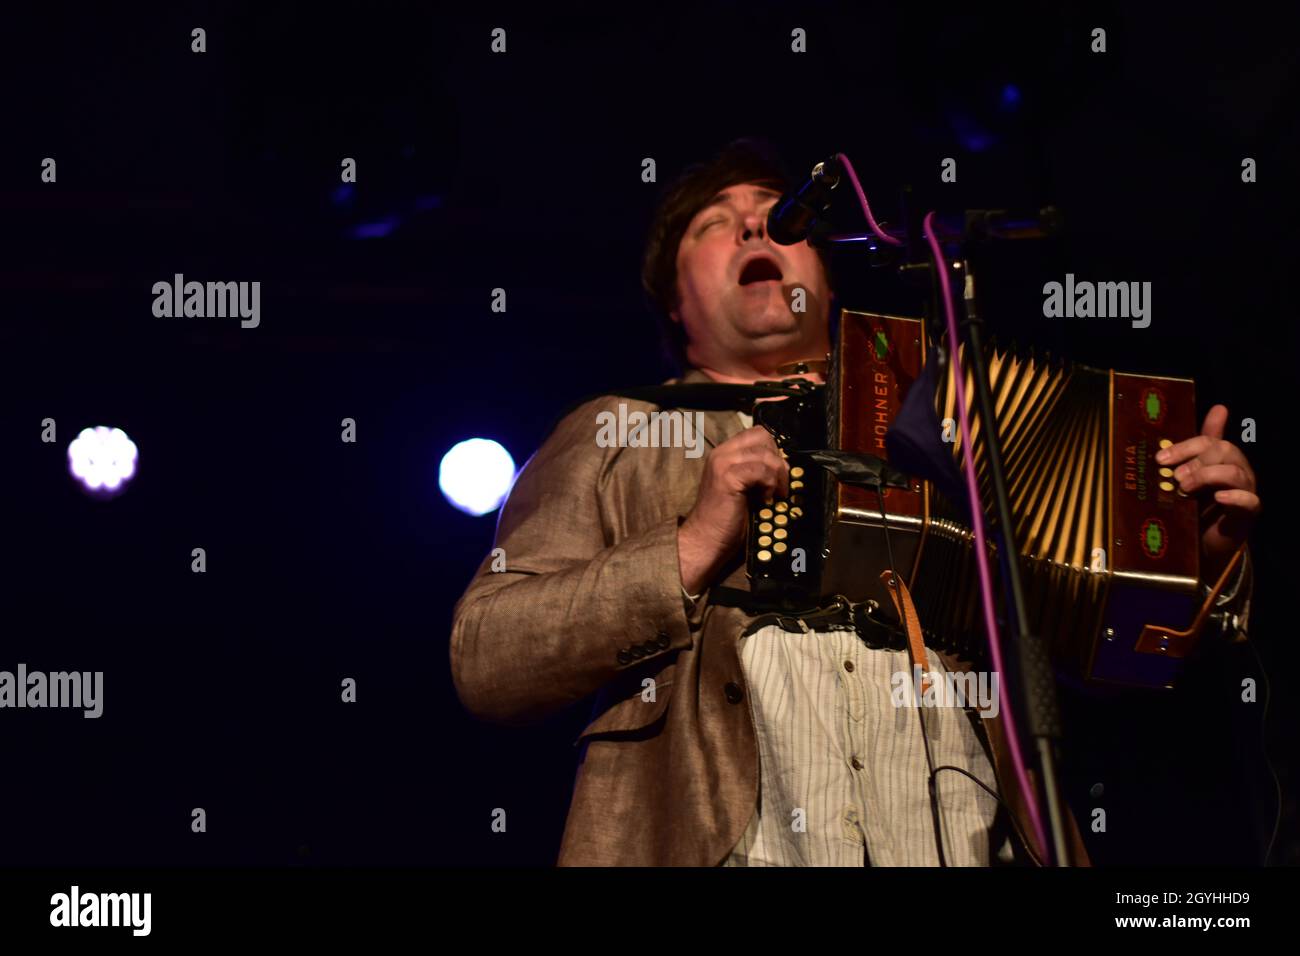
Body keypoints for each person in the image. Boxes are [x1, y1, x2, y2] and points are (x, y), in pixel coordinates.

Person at [449, 138, 1259, 866]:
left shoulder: (944, 411)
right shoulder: (615, 428)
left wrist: (1200, 552)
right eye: (714, 225)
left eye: (776, 217)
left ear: (827, 278)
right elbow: (489, 657)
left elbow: (1115, 664)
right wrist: (687, 548)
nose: (756, 230)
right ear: (673, 300)